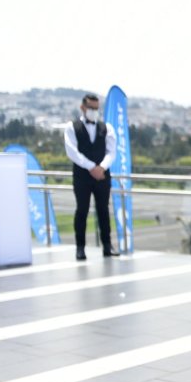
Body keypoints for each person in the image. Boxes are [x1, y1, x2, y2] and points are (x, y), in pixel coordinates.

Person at [64, 92, 118, 260]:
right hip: (82, 176)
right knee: (82, 210)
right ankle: (80, 248)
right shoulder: (72, 127)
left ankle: (107, 246)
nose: (93, 111)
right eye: (91, 108)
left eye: (96, 108)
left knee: (103, 210)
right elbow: (72, 152)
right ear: (83, 107)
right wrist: (90, 167)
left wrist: (101, 167)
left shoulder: (107, 127)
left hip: (102, 175)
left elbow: (112, 152)